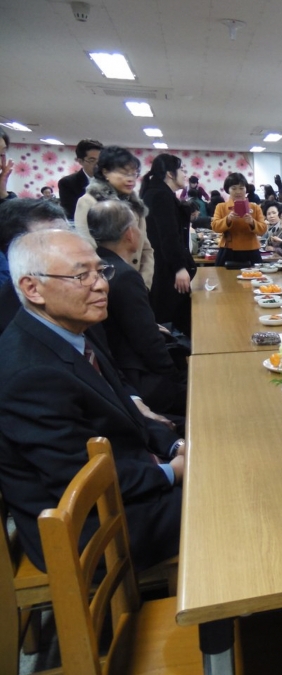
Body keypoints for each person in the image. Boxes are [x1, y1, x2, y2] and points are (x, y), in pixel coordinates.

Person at [0, 229, 184, 573]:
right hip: (87, 527)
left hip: (126, 480)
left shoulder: (69, 329)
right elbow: (77, 478)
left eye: (101, 272)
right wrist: (170, 474)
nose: (101, 285)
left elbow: (129, 415)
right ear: (32, 288)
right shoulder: (30, 374)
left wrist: (176, 446)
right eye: (81, 275)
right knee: (228, 497)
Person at [89, 200, 187, 415]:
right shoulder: (124, 276)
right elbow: (147, 340)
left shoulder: (97, 267)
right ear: (130, 234)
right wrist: (175, 376)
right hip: (139, 378)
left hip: (117, 371)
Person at [73, 145, 155, 289]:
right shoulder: (89, 201)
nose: (131, 179)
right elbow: (87, 247)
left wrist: (144, 283)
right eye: (124, 174)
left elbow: (146, 249)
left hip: (134, 281)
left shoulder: (135, 205)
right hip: (104, 283)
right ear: (105, 172)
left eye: (134, 174)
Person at [139, 154, 196, 334]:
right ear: (170, 174)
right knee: (173, 318)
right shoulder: (160, 195)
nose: (184, 175)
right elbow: (168, 236)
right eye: (182, 170)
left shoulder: (157, 192)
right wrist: (179, 268)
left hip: (162, 263)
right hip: (166, 268)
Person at [0, 199, 69, 322]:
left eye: (69, 236)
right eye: (50, 241)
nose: (69, 247)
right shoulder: (7, 318)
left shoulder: (88, 284)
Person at [211, 172, 266, 266]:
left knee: (254, 278)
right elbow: (215, 227)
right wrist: (228, 219)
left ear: (246, 189)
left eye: (241, 188)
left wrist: (252, 222)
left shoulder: (255, 207)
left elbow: (263, 230)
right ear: (228, 190)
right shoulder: (221, 207)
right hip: (228, 250)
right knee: (225, 279)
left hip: (251, 250)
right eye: (233, 188)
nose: (238, 192)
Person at [57, 138, 103, 220]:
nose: (97, 165)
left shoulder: (109, 180)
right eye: (92, 160)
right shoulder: (67, 183)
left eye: (100, 160)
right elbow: (70, 213)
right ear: (80, 161)